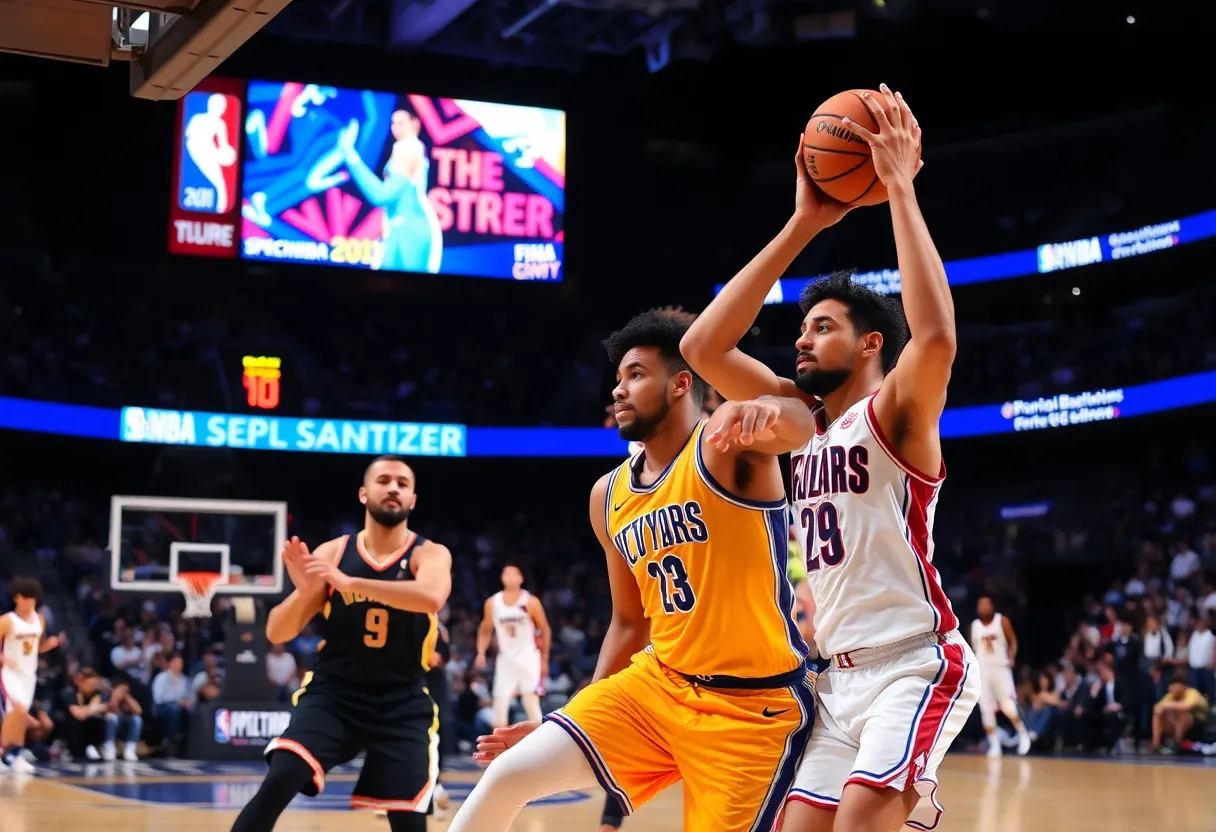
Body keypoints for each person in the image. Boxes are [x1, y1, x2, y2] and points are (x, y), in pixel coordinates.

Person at [681, 84, 979, 832]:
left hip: (914, 662)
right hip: (836, 679)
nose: (802, 340)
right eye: (802, 329)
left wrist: (900, 186)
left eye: (822, 327)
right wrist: (804, 222)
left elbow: (935, 336)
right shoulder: (803, 421)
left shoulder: (896, 414)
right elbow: (702, 347)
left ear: (871, 343)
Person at [448, 309, 816, 831]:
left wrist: (772, 407)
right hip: (658, 685)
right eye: (618, 377)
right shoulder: (607, 493)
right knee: (507, 775)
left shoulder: (724, 441)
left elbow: (804, 426)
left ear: (680, 383)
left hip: (751, 706)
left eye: (636, 374)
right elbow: (628, 622)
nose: (618, 389)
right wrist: (576, 718)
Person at [229, 455, 452, 832]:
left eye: (402, 483)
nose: (393, 488)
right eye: (384, 480)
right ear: (364, 494)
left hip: (402, 699)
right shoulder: (333, 553)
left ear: (413, 500)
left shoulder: (428, 553)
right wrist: (305, 593)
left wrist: (350, 583)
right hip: (335, 694)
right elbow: (276, 633)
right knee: (281, 777)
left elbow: (431, 596)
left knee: (409, 821)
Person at [475, 564, 552, 727]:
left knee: (530, 702)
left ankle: (541, 739)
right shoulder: (492, 603)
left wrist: (545, 659)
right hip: (506, 658)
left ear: (520, 578)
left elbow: (545, 630)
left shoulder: (530, 601)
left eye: (513, 574)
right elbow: (485, 629)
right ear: (501, 578)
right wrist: (481, 652)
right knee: (500, 703)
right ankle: (499, 742)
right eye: (506, 574)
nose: (509, 577)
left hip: (529, 656)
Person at [1, 577, 63, 773]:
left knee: (20, 717)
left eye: (33, 598)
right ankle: (2, 753)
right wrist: (3, 659)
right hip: (10, 673)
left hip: (29, 675)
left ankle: (15, 754)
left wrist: (50, 645)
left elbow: (38, 647)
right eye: (26, 598)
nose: (30, 602)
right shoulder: (7, 620)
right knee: (18, 710)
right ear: (17, 598)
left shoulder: (39, 619)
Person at [969, 597, 1031, 756]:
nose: (983, 607)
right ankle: (994, 744)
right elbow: (972, 648)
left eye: (986, 604)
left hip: (1001, 667)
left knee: (1008, 706)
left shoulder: (1001, 621)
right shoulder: (974, 626)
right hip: (983, 670)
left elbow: (1013, 641)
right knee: (986, 709)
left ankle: (1023, 735)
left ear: (992, 606)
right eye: (980, 604)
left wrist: (1012, 656)